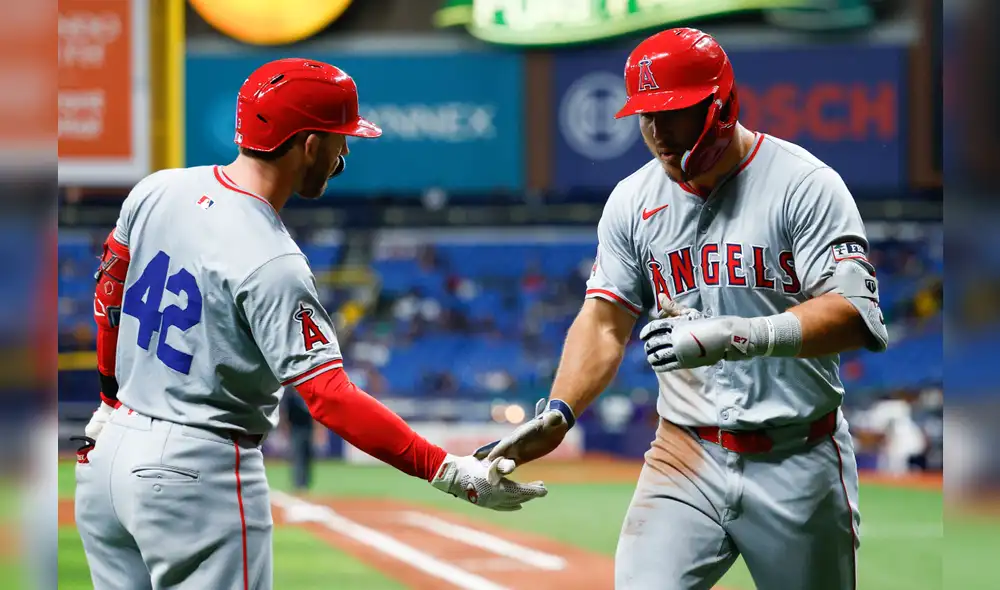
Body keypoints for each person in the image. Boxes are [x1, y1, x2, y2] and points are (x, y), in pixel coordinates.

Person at [72, 58, 545, 590]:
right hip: (195, 470)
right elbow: (330, 397)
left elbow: (108, 291)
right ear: (311, 144)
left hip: (108, 456)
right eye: (341, 139)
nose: (344, 153)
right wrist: (449, 472)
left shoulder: (158, 189)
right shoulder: (273, 258)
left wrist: (111, 398)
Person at [476, 28, 887, 590]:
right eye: (644, 115)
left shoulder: (806, 185)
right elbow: (603, 320)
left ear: (720, 106)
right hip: (684, 454)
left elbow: (855, 314)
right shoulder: (633, 199)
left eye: (673, 112)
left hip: (799, 456)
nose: (656, 132)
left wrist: (735, 334)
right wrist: (559, 413)